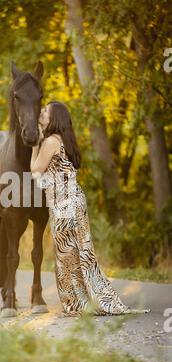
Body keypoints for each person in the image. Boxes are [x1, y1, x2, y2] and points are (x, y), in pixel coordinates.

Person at [30, 101, 150, 316]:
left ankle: (78, 304)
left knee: (67, 254)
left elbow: (35, 169)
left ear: (54, 118)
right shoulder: (63, 140)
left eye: (45, 111)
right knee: (82, 253)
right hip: (74, 200)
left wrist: (34, 145)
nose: (41, 112)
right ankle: (89, 301)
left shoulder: (49, 142)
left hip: (64, 204)